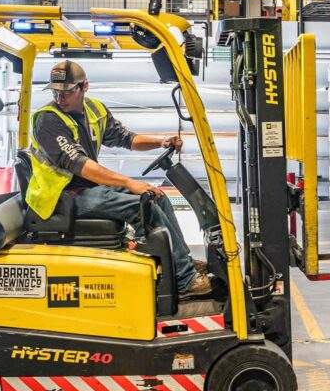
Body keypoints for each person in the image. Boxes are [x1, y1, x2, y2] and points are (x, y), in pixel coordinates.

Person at [25, 60, 212, 299]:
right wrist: (129, 183)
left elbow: (127, 138)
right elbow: (79, 165)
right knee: (142, 206)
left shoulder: (94, 110)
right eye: (56, 92)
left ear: (84, 87)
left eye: (67, 91)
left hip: (85, 189)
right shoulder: (48, 120)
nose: (60, 98)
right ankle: (184, 280)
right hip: (61, 197)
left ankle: (181, 262)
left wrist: (160, 142)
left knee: (157, 197)